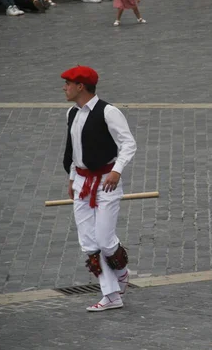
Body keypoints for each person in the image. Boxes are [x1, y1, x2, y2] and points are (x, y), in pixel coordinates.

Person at [61, 65, 137, 311]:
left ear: (80, 86)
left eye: (68, 83)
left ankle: (122, 272)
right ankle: (112, 294)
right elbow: (73, 151)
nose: (64, 87)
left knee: (105, 239)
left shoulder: (109, 112)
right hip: (82, 182)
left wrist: (116, 171)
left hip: (106, 181)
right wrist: (73, 178)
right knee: (89, 243)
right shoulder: (71, 114)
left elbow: (128, 144)